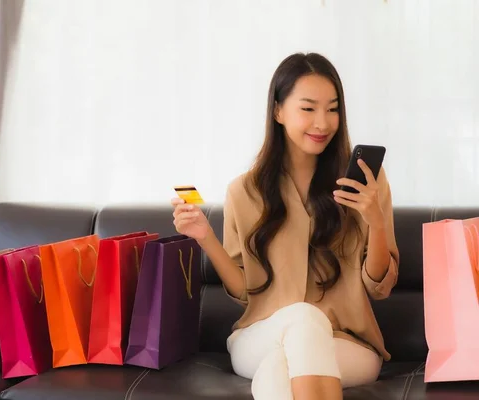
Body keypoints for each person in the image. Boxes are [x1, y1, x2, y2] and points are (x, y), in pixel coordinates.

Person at [171, 52, 399, 400]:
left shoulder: (368, 183)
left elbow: (378, 286)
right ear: (278, 111)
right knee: (302, 322)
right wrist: (205, 238)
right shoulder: (244, 191)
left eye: (332, 108)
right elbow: (245, 291)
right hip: (261, 335)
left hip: (348, 343)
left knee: (281, 367)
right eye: (308, 109)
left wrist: (376, 223)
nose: (322, 122)